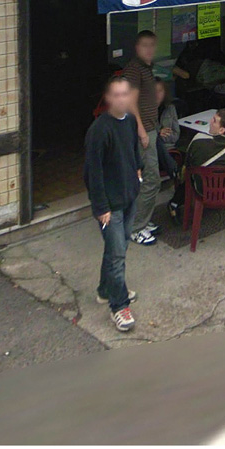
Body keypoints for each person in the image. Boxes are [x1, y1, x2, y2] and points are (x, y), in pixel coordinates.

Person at [83, 76, 143, 332]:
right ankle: (119, 306)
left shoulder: (129, 121)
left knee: (117, 248)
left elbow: (133, 149)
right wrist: (101, 208)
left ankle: (105, 290)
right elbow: (92, 172)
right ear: (108, 99)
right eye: (116, 95)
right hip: (111, 205)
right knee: (117, 254)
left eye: (125, 94)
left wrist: (138, 170)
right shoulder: (99, 130)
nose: (122, 99)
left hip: (129, 196)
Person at [167, 108, 225, 220]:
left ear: (222, 130)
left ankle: (175, 202)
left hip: (201, 190)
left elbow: (188, 162)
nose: (210, 121)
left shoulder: (198, 140)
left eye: (214, 120)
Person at [123, 30, 161, 246]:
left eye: (152, 45)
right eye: (144, 45)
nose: (149, 49)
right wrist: (141, 131)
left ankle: (142, 220)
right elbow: (129, 102)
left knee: (148, 180)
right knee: (151, 179)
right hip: (142, 132)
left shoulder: (147, 68)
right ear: (137, 47)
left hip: (151, 128)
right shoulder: (134, 69)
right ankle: (136, 227)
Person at [154, 78, 180, 184]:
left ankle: (174, 171)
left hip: (169, 148)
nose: (157, 94)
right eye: (154, 91)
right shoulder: (145, 111)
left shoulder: (170, 108)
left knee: (157, 140)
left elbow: (176, 135)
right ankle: (174, 171)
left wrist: (161, 137)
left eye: (160, 91)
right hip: (152, 150)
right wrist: (159, 134)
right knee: (156, 140)